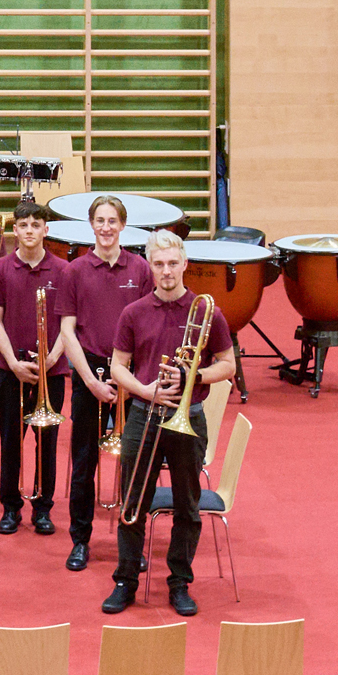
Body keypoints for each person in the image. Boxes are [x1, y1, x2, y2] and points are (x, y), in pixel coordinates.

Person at [104, 231, 236, 618]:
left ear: (184, 264)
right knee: (132, 504)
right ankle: (126, 580)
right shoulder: (133, 312)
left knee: (187, 507)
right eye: (158, 264)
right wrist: (145, 391)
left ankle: (179, 583)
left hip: (188, 417)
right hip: (145, 414)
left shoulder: (206, 311)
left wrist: (193, 377)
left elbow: (227, 364)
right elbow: (116, 366)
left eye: (172, 263)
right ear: (150, 266)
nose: (166, 271)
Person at [56, 195, 151, 571]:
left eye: (113, 221)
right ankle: (80, 540)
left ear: (123, 226)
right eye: (100, 220)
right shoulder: (74, 271)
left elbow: (147, 326)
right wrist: (91, 384)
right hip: (89, 374)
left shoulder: (141, 269)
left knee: (134, 463)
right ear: (91, 225)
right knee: (84, 461)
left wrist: (130, 379)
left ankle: (132, 542)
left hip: (131, 375)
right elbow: (66, 331)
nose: (107, 228)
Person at [0, 199, 72, 536]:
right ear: (15, 230)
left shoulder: (64, 270)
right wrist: (12, 363)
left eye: (36, 225)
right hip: (11, 370)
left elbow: (69, 322)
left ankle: (43, 507)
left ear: (46, 230)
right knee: (11, 440)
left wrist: (51, 358)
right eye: (24, 225)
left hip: (53, 369)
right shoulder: (0, 269)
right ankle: (10, 507)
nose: (30, 231)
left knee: (46, 442)